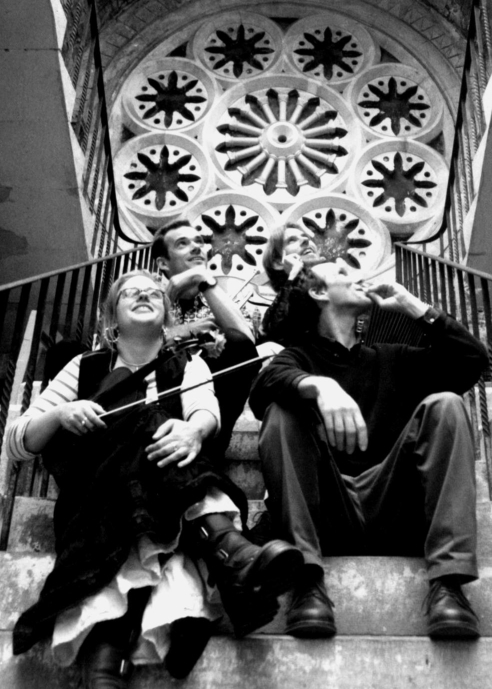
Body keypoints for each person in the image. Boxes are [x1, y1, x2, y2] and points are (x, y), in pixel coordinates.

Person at [6, 270, 303, 688]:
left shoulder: (190, 364)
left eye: (153, 293)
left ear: (167, 316)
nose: (144, 295)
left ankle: (106, 657)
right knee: (150, 424)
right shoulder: (84, 367)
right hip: (94, 495)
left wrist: (193, 431)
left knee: (166, 431)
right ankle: (229, 551)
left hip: (160, 495)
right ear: (112, 317)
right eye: (131, 292)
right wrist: (60, 414)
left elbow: (206, 413)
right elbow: (17, 442)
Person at [248, 260, 488, 640]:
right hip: (329, 512)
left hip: (393, 507)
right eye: (343, 271)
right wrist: (320, 386)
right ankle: (306, 582)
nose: (358, 275)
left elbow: (470, 361)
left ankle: (449, 586)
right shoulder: (297, 357)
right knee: (281, 412)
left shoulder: (393, 358)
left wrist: (413, 306)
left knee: (446, 404)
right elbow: (264, 389)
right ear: (319, 292)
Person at [152, 220, 258, 456]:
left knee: (237, 343)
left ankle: (207, 450)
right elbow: (131, 345)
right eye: (182, 243)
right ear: (163, 263)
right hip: (157, 397)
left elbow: (246, 345)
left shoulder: (223, 301)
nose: (196, 247)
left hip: (210, 410)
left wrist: (203, 278)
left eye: (199, 242)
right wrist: (184, 330)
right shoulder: (144, 296)